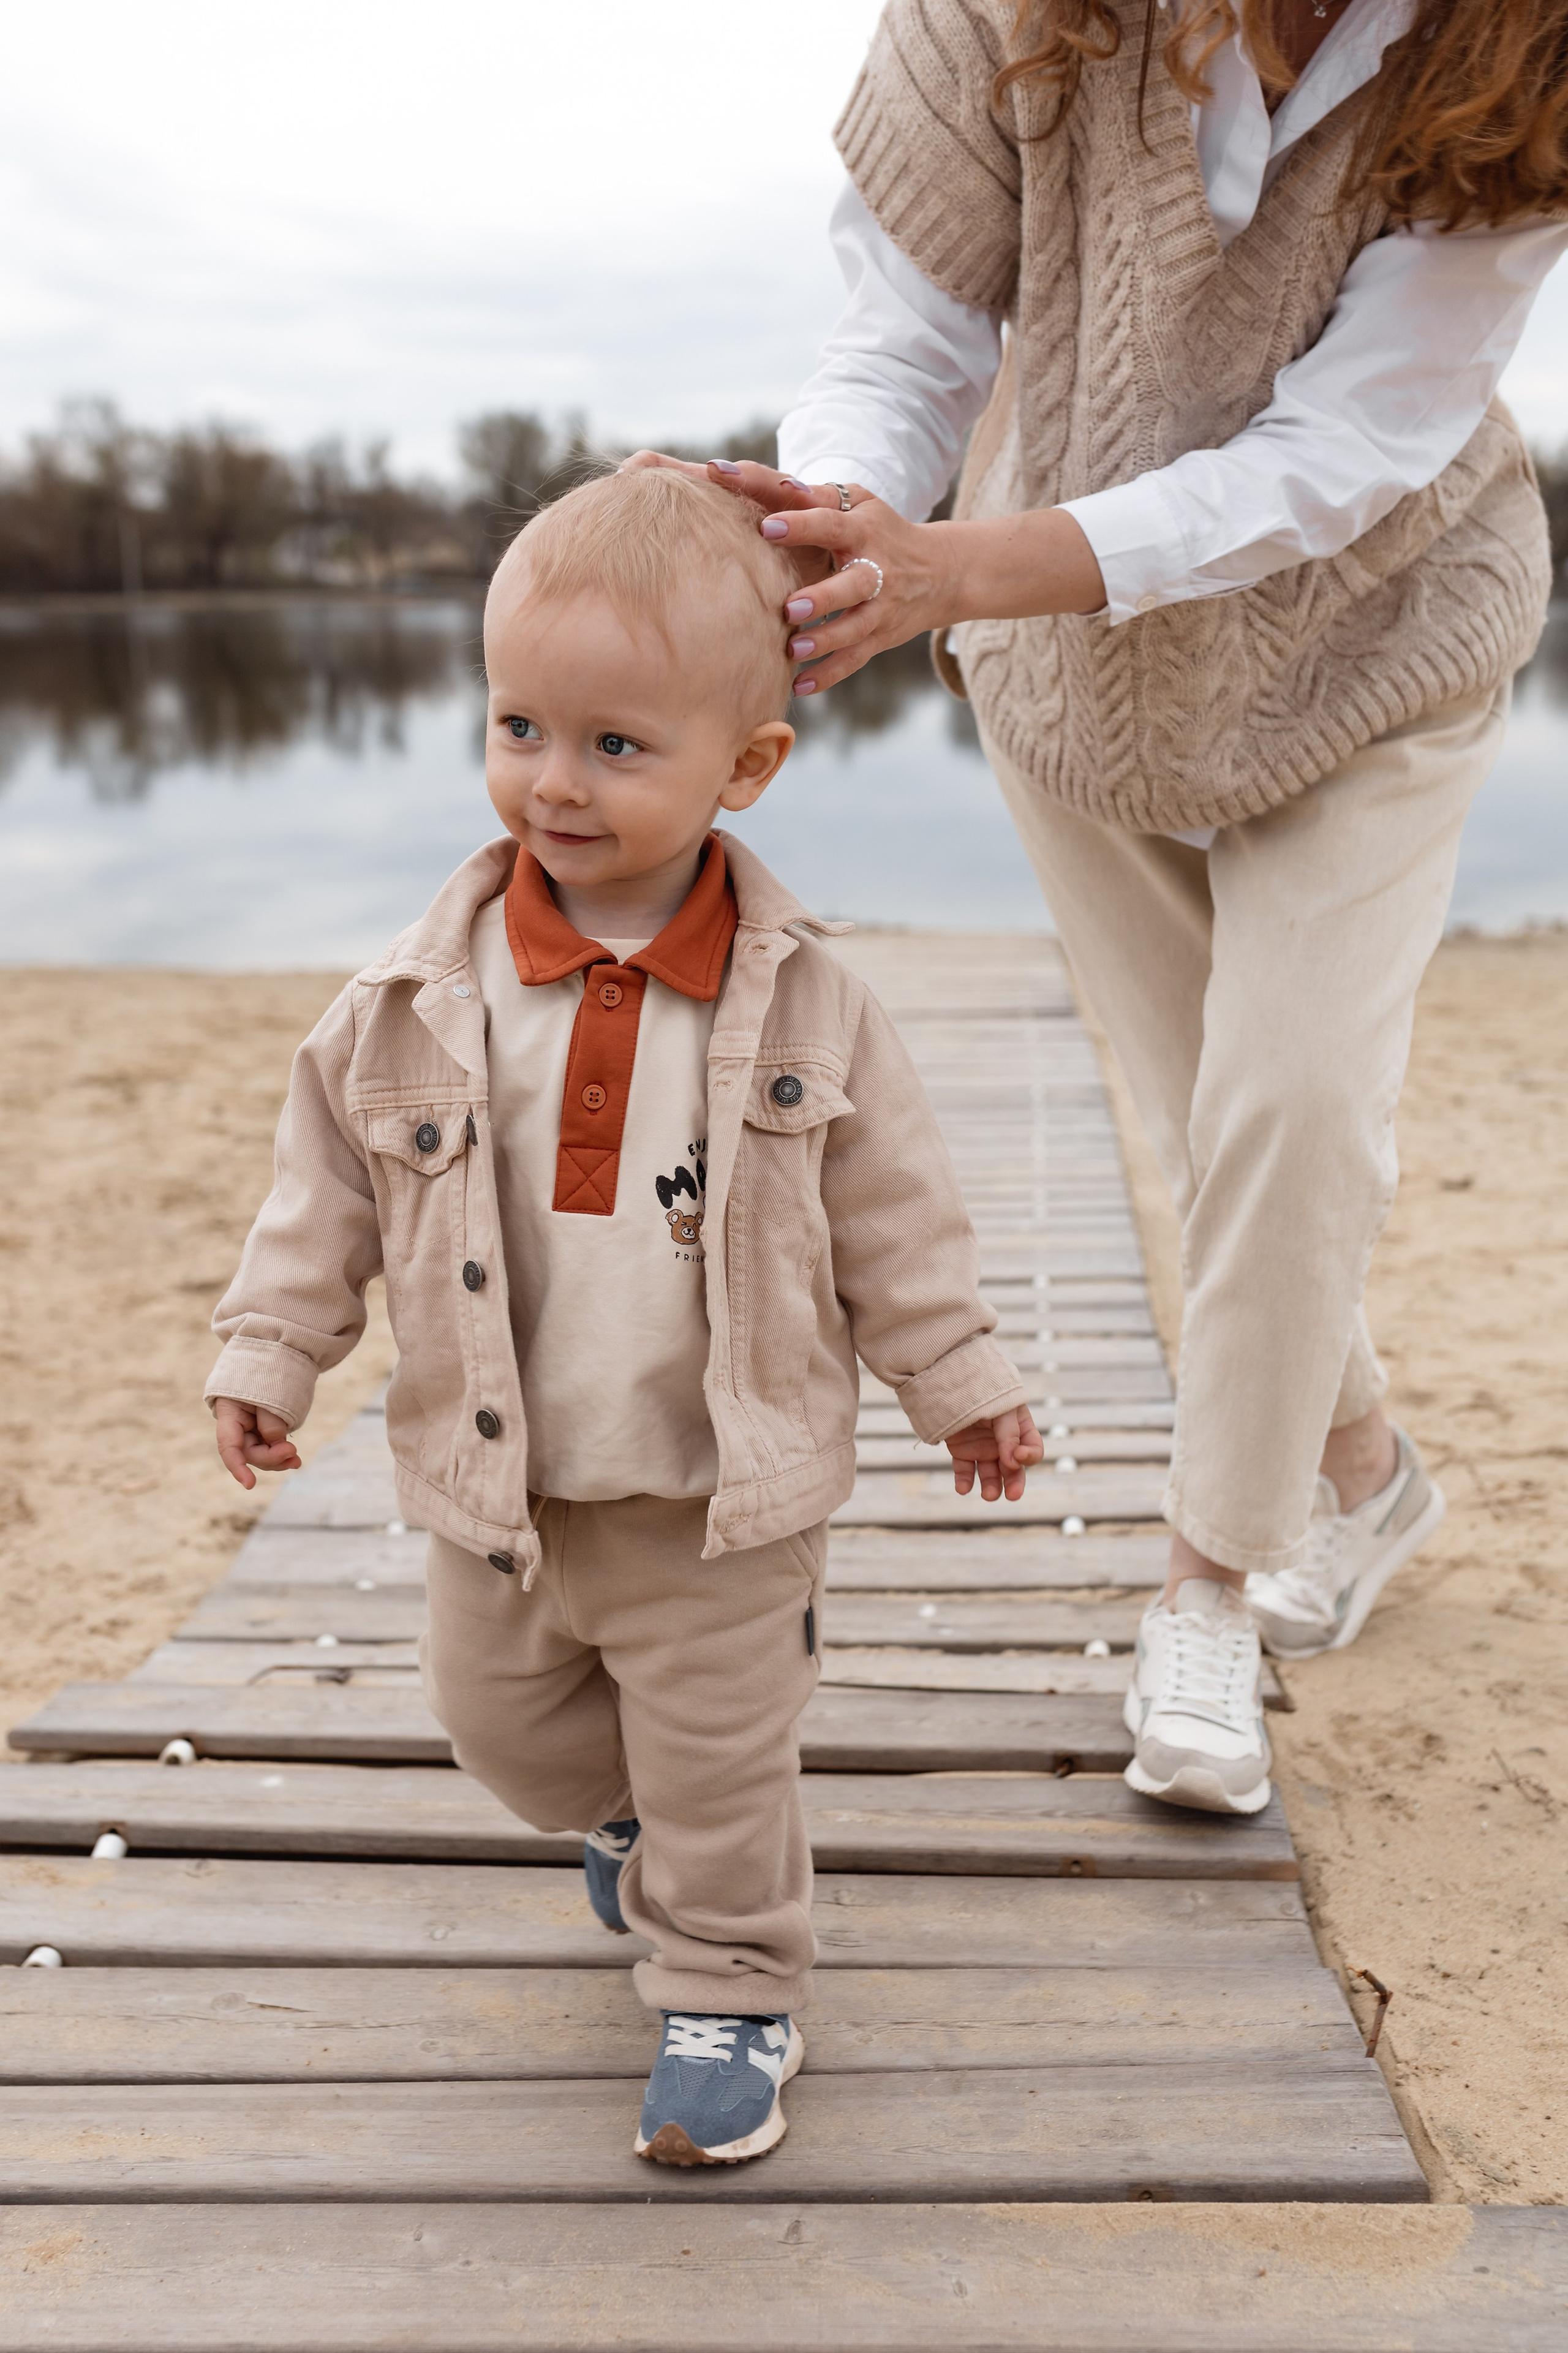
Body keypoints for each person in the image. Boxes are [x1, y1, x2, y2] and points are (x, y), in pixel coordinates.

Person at [629, 0, 1568, 1816]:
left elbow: (1336, 461)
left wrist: (953, 564)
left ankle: (1210, 1583)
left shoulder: (1524, 63)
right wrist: (838, 524)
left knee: (1292, 1102)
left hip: (1382, 641)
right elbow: (907, 347)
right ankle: (1362, 1464)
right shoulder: (1001, 15)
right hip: (1073, 691)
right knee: (1219, 1136)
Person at [205, 467, 1041, 2167]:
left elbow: (896, 1211)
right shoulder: (412, 998)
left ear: (747, 768)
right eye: (520, 725)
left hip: (714, 1493)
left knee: (723, 1764)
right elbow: (329, 1191)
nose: (551, 780)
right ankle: (625, 1823)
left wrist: (959, 1379)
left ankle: (730, 1982)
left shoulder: (806, 999)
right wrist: (271, 1348)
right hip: (502, 1486)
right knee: (501, 1728)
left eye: (613, 745)